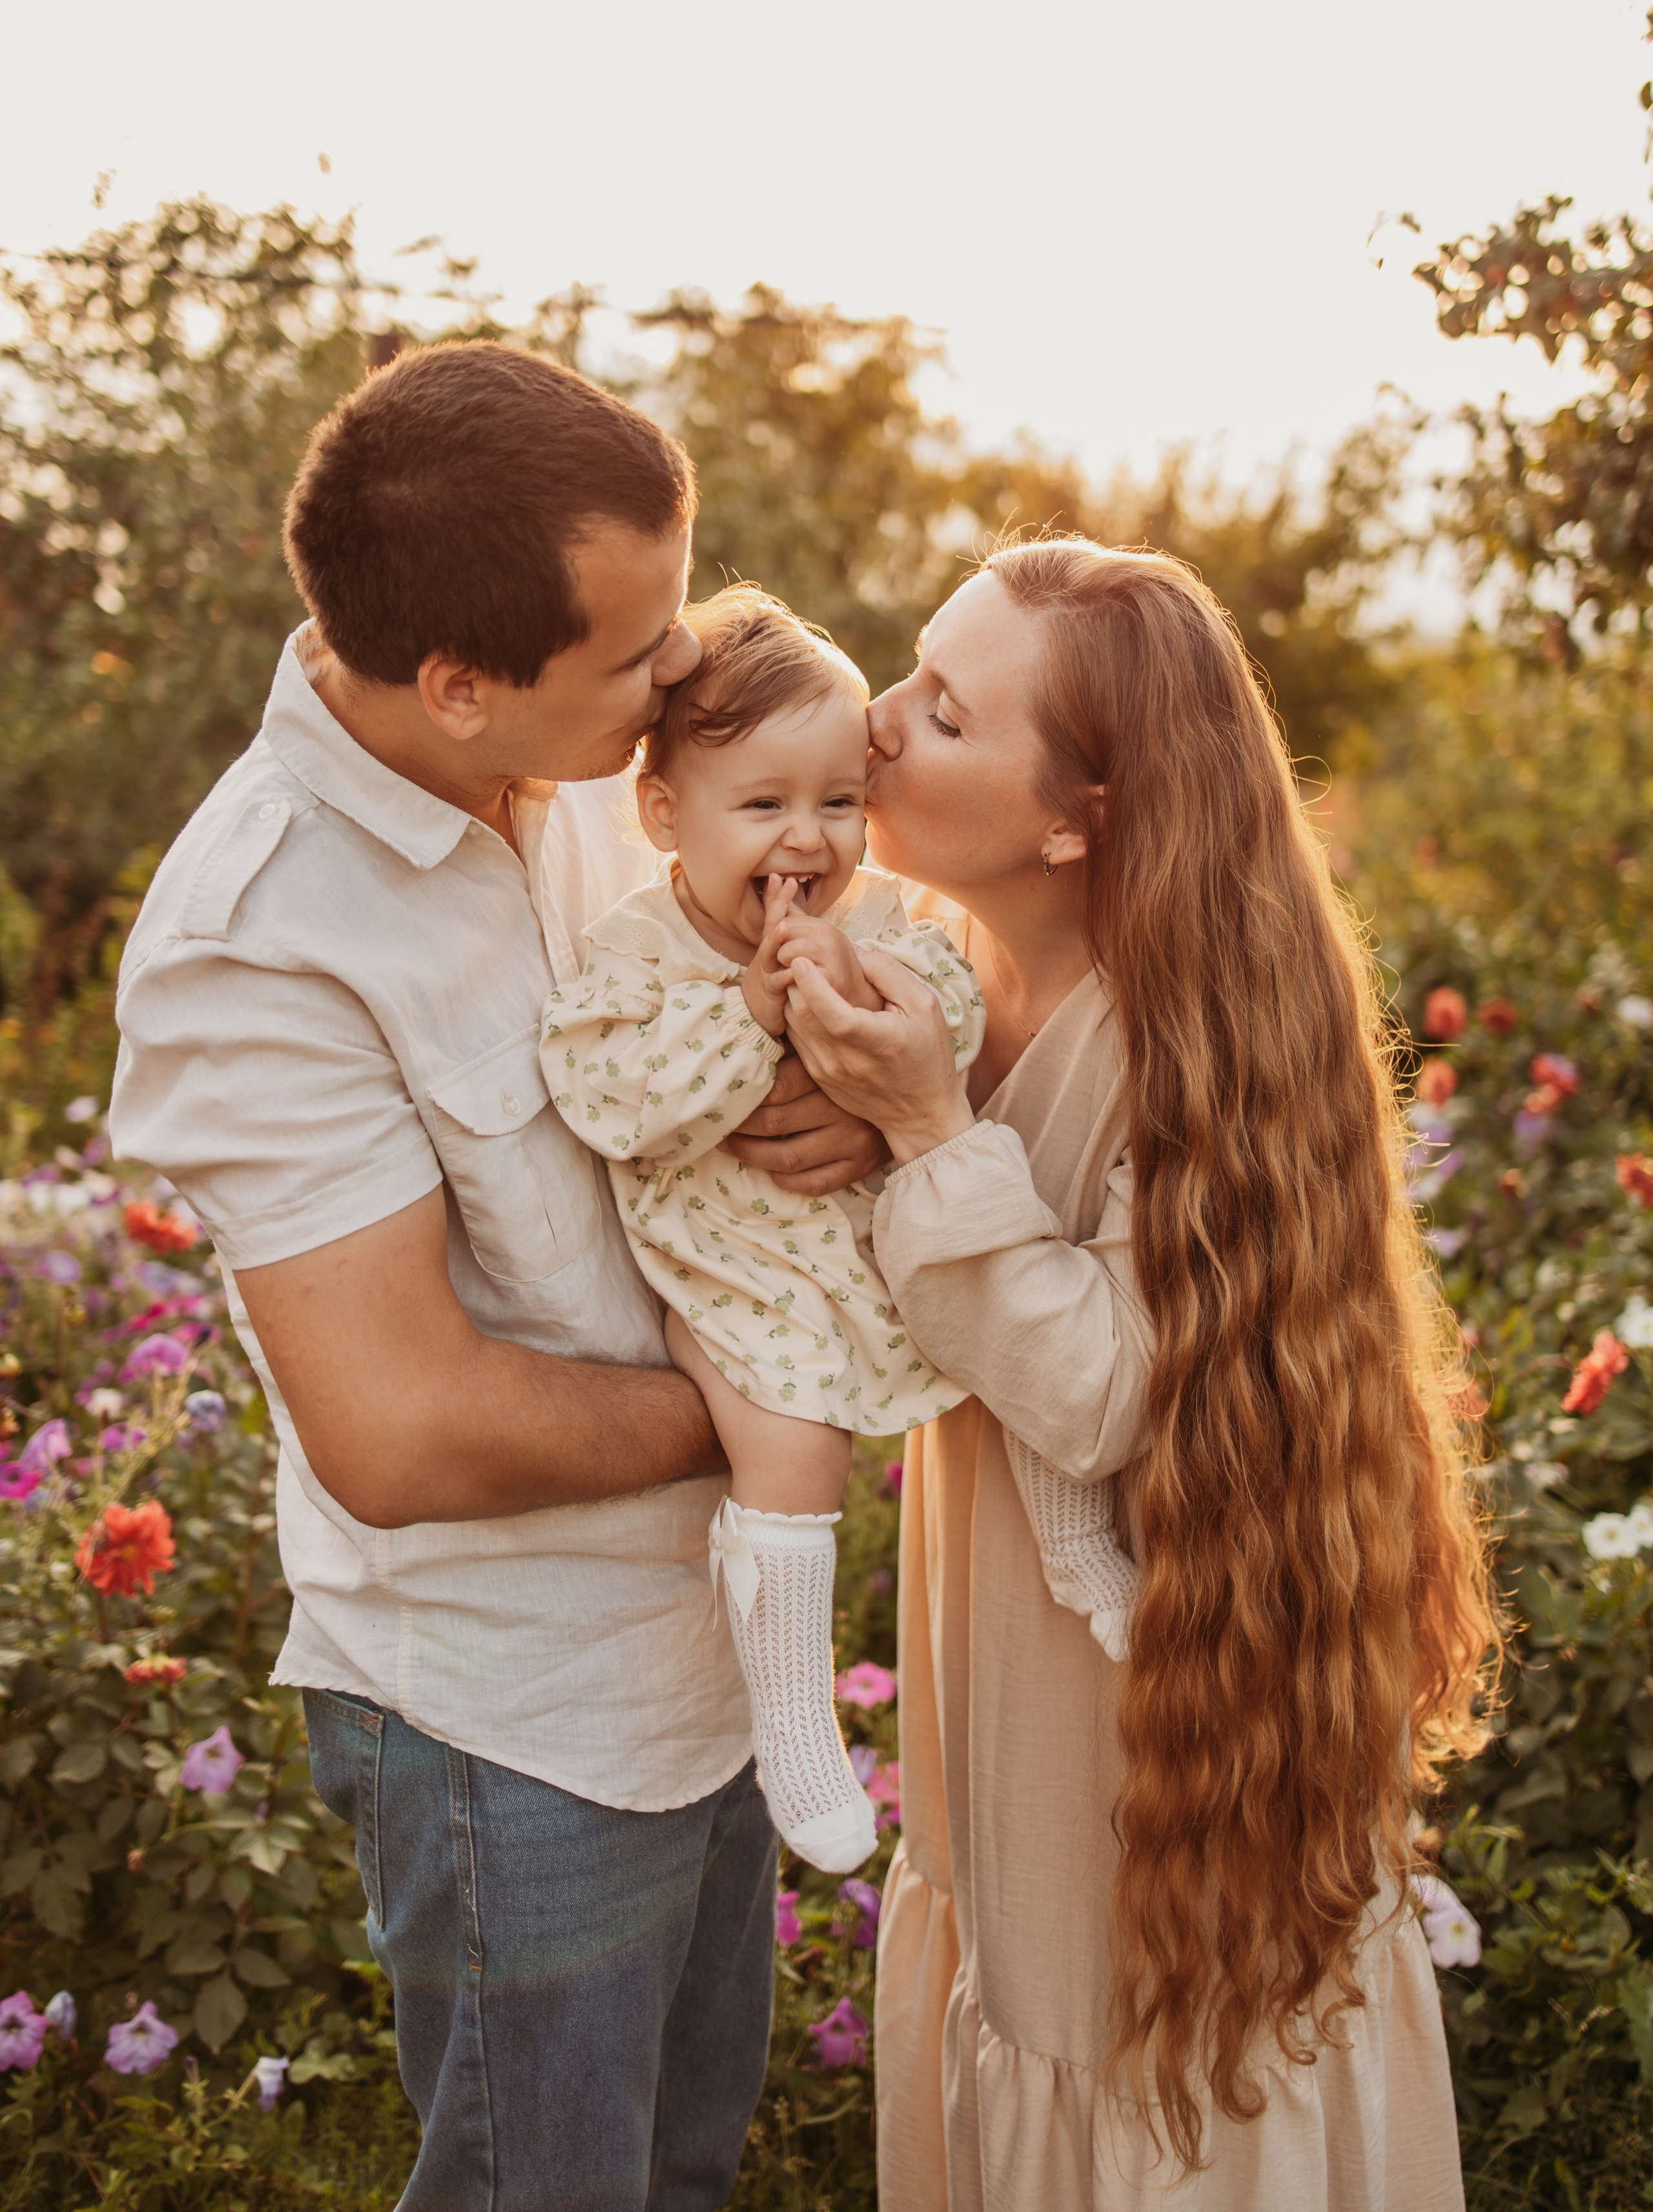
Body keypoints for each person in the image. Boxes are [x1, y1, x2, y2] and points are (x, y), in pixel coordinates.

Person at [108, 341, 885, 2212]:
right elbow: (404, 1432)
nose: (686, 673)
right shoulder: (263, 946)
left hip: (697, 1651)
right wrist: (780, 1404)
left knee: (680, 2169)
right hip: (510, 1718)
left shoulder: (587, 766)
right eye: (637, 654)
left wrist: (838, 1109)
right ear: (459, 684)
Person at [781, 541, 1495, 2211]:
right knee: (1005, 1978)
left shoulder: (1189, 1037)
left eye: (944, 716)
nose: (879, 728)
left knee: (1105, 2044)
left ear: (1074, 819)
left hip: (1149, 1723)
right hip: (999, 1720)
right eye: (907, 676)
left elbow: (1104, 1393)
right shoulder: (935, 969)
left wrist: (924, 1135)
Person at [541, 583, 1143, 1876]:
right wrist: (751, 1022)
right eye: (765, 806)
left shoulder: (882, 923)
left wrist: (888, 1089)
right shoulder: (641, 951)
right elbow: (610, 1098)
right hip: (734, 1265)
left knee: (995, 1300)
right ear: (664, 814)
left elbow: (940, 1026)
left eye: (835, 803)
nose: (809, 835)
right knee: (792, 1447)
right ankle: (795, 1720)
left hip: (857, 1231)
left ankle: (1078, 1536)